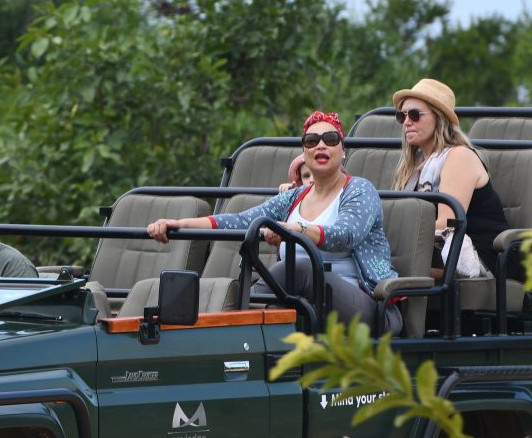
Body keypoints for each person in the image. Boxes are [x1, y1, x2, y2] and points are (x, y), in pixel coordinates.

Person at [145, 110, 400, 333]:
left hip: (369, 309)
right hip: (305, 303)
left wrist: (292, 230)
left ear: (342, 150)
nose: (320, 145)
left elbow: (344, 235)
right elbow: (240, 220)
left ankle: (236, 321)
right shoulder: (294, 197)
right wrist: (180, 224)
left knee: (300, 269)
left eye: (330, 139)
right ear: (304, 151)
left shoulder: (359, 190)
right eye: (312, 140)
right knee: (278, 305)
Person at [391, 78, 510, 280]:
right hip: (435, 252)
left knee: (390, 271)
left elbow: (447, 223)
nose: (407, 122)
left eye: (414, 114)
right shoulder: (414, 165)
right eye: (401, 116)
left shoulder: (459, 156)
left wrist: (390, 237)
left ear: (439, 118)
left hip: (475, 258)